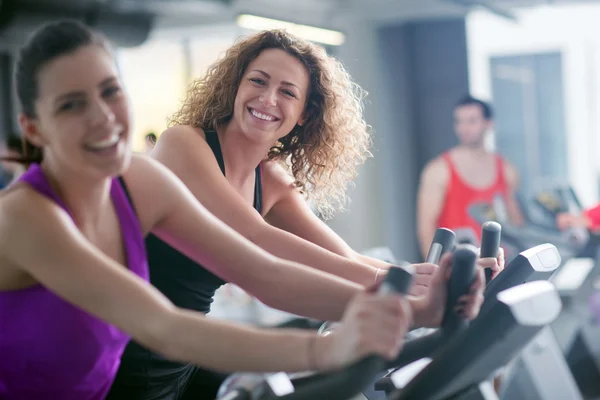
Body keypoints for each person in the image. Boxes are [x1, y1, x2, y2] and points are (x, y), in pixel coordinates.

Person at [0, 20, 485, 400]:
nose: (103, 117)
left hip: (167, 369)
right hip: (143, 364)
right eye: (70, 105)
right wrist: (335, 342)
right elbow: (165, 323)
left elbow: (266, 273)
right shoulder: (27, 216)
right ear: (34, 128)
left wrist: (420, 294)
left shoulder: (143, 181)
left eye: (111, 91)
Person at [417, 95, 524, 258]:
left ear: (488, 124)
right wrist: (434, 271)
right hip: (456, 267)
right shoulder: (438, 170)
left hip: (497, 266)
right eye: (459, 121)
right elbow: (426, 229)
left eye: (471, 121)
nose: (464, 128)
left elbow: (516, 223)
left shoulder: (507, 170)